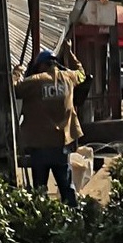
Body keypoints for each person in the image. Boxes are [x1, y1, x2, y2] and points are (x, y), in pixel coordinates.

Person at [14, 47, 85, 203]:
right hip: (61, 143)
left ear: (41, 65)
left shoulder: (35, 81)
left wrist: (16, 73)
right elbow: (81, 73)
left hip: (40, 145)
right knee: (67, 187)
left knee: (40, 190)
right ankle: (74, 219)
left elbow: (15, 89)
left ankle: (42, 219)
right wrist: (71, 53)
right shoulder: (69, 77)